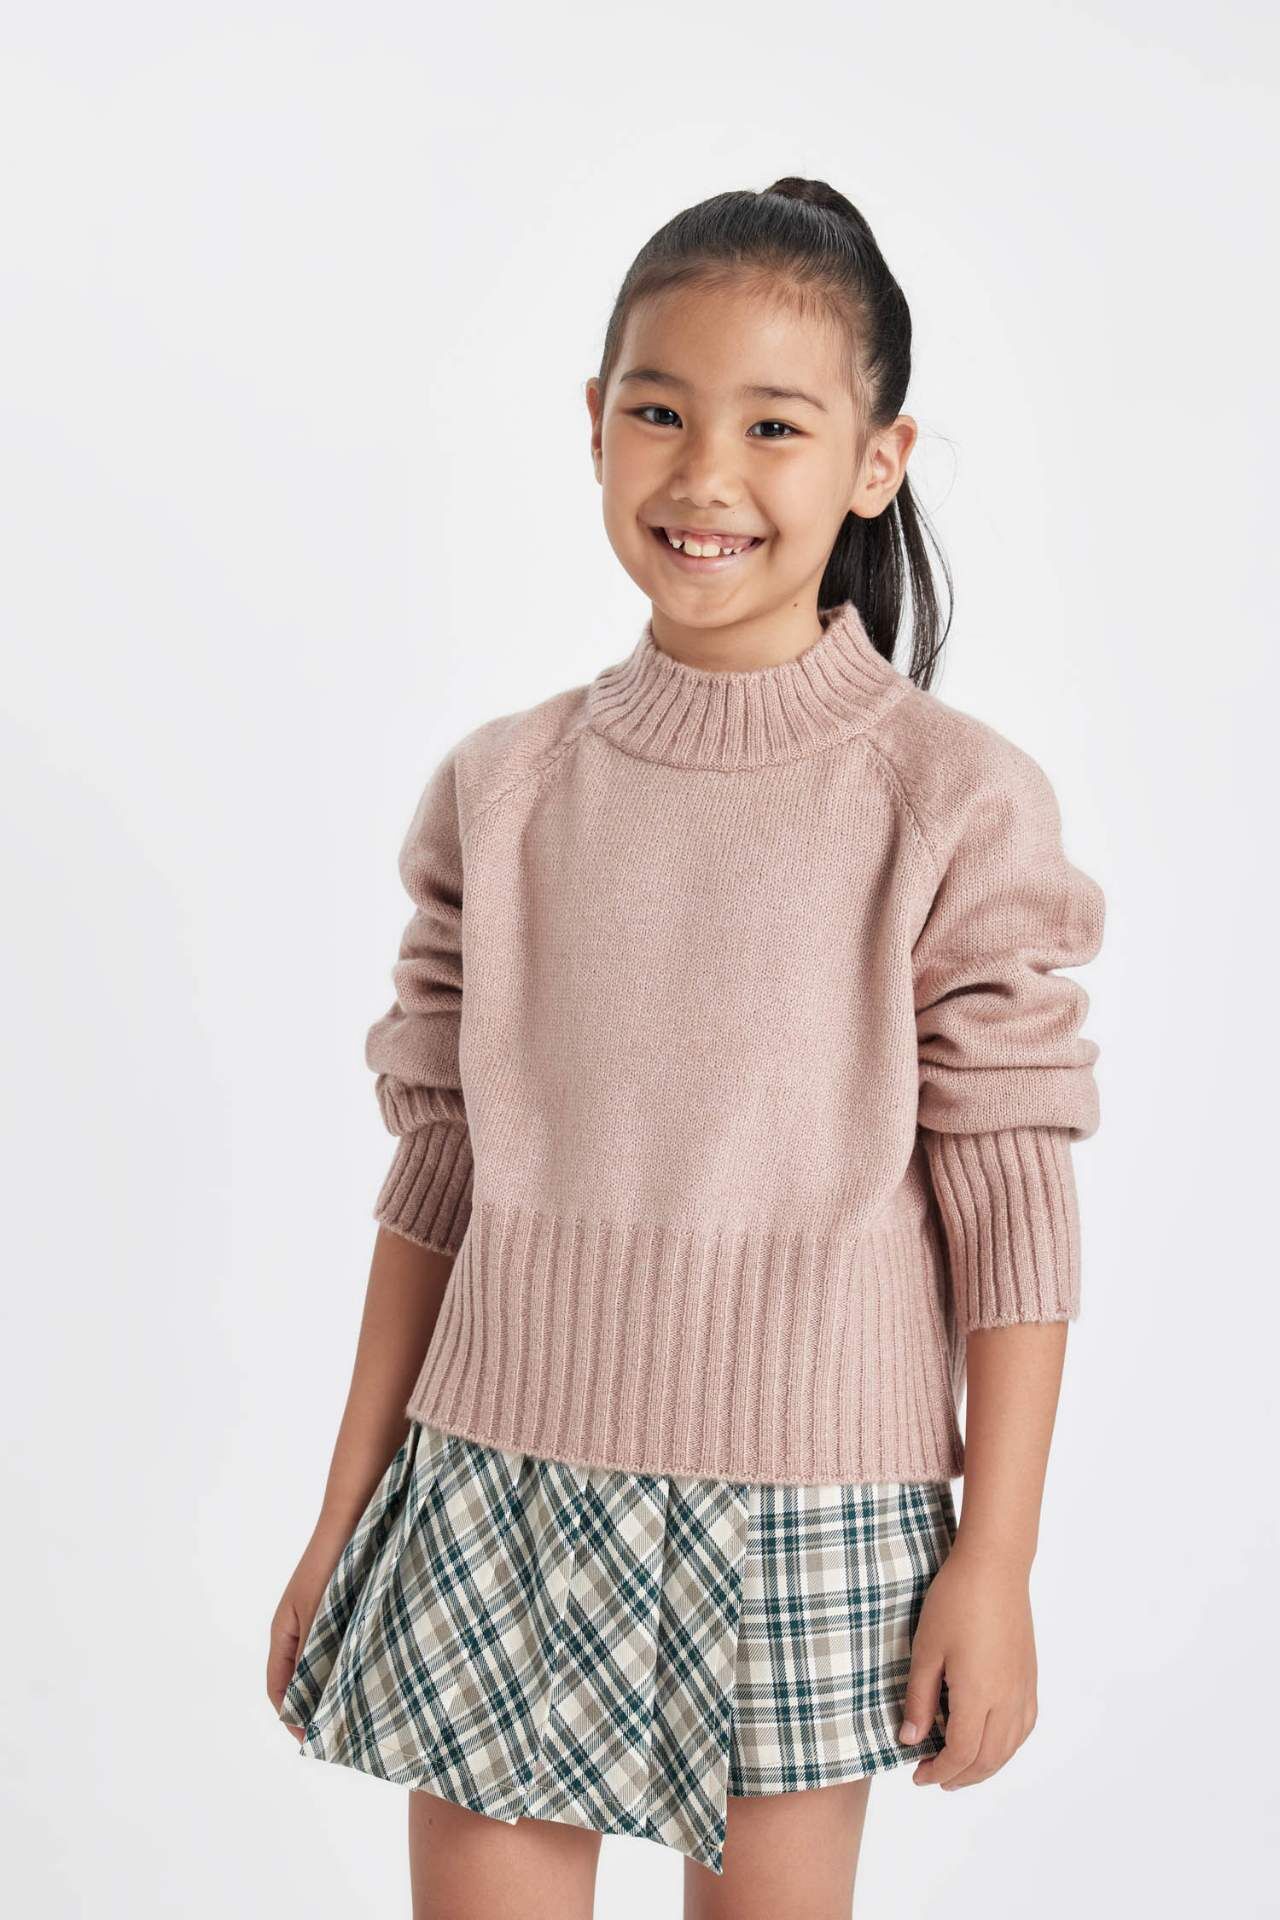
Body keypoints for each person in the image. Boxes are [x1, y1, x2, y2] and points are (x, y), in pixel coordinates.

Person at [267, 176, 1105, 1920]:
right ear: (594, 425)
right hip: (493, 1483)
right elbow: (436, 1173)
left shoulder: (950, 799)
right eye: (659, 411)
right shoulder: (504, 791)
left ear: (877, 460)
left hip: (816, 1496)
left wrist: (999, 1558)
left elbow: (1011, 1198)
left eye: (774, 426)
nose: (706, 472)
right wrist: (348, 1504)